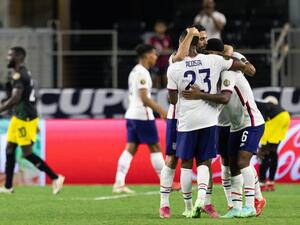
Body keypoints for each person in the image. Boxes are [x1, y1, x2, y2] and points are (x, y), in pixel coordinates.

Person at [167, 31, 254, 218]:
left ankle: (188, 206)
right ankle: (203, 199)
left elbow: (173, 100)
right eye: (202, 40)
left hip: (187, 121)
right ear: (198, 45)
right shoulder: (213, 61)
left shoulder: (174, 66)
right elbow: (242, 66)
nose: (205, 43)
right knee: (204, 162)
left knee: (186, 163)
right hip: (209, 119)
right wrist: (231, 58)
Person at [0, 46, 64, 194]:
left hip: (25, 118)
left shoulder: (20, 75)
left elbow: (16, 99)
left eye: (10, 55)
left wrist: (1, 108)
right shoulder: (23, 73)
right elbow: (22, 97)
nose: (7, 58)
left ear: (18, 57)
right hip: (19, 116)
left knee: (26, 153)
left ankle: (55, 177)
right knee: (10, 148)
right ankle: (8, 186)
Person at [112, 44, 167, 194]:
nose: (156, 57)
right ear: (147, 55)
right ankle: (165, 182)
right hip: (142, 116)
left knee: (131, 147)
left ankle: (119, 182)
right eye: (154, 54)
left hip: (131, 115)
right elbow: (144, 98)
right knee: (155, 146)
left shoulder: (135, 71)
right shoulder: (142, 72)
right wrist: (162, 111)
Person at [256, 97, 291, 191]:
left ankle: (262, 183)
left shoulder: (252, 103)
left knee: (264, 152)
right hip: (285, 116)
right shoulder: (267, 105)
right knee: (272, 152)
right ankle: (271, 182)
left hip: (276, 119)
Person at [148, 20, 173, 89]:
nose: (160, 28)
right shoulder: (152, 39)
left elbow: (170, 49)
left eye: (162, 26)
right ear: (155, 28)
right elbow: (151, 50)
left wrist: (163, 52)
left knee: (166, 79)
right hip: (156, 63)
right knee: (156, 80)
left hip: (165, 63)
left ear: (165, 28)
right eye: (158, 26)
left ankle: (167, 95)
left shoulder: (168, 38)